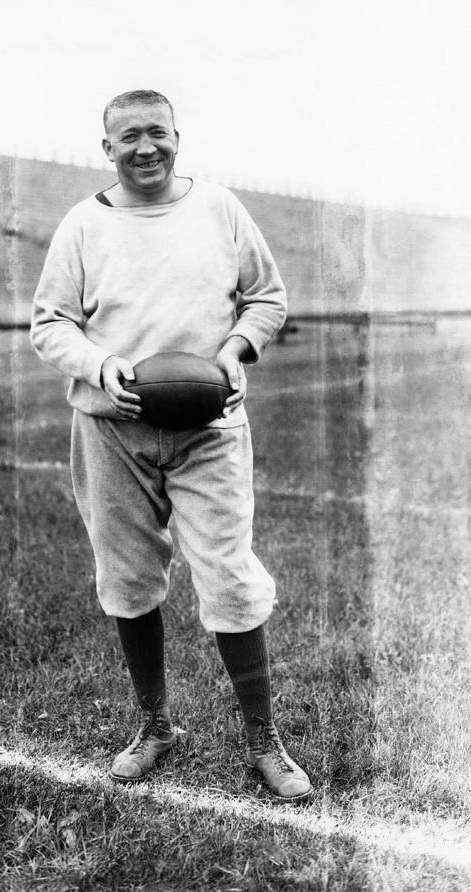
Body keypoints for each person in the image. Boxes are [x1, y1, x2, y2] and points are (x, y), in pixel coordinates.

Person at [30, 89, 312, 801]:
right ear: (107, 149)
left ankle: (262, 738)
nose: (145, 147)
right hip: (111, 429)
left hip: (209, 429)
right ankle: (154, 725)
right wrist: (101, 365)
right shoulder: (82, 226)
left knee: (229, 576)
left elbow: (267, 298)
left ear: (178, 137)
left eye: (157, 132)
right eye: (129, 137)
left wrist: (234, 350)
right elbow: (50, 324)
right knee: (126, 578)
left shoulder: (219, 209)